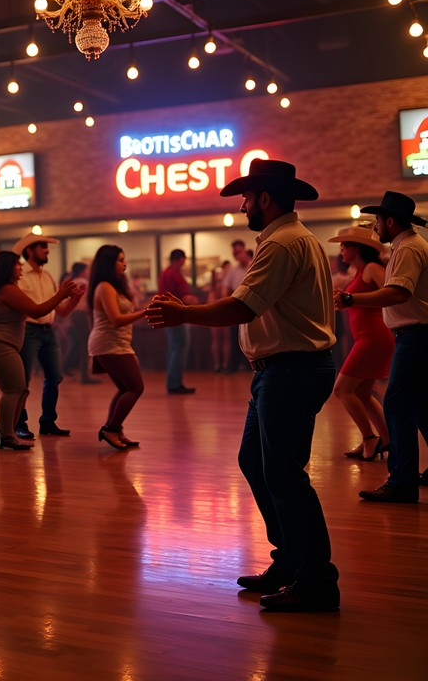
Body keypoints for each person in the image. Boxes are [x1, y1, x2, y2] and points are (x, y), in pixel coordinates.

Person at [146, 158, 339, 612]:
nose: (243, 206)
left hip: (290, 370)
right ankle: (292, 560)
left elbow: (243, 306)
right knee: (257, 462)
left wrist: (185, 313)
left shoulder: (283, 243)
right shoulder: (292, 238)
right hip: (282, 371)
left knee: (284, 476)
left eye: (247, 198)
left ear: (265, 198)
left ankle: (316, 578)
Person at [337, 192, 428, 503]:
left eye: (378, 220)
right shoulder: (407, 246)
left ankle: (402, 482)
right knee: (417, 405)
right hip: (413, 334)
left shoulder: (409, 248)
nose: (375, 226)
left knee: (398, 404)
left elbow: (398, 293)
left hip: (415, 335)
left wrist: (352, 299)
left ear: (390, 221)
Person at [0, 250, 82, 450]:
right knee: (14, 389)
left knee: (20, 390)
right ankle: (7, 435)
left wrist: (68, 298)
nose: (21, 267)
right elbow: (36, 311)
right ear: (7, 268)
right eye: (17, 264)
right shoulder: (7, 289)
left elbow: (51, 310)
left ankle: (5, 432)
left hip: (1, 343)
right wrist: (60, 294)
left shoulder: (7, 288)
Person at [326, 226, 392, 461]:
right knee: (362, 392)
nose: (340, 250)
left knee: (342, 389)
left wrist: (352, 299)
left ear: (356, 248)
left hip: (373, 337)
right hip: (367, 337)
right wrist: (345, 300)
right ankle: (386, 439)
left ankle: (370, 439)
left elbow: (390, 294)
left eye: (344, 246)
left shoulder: (373, 268)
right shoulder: (360, 271)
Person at [12, 232, 82, 439]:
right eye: (43, 246)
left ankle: (48, 422)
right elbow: (32, 309)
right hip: (28, 330)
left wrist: (75, 299)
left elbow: (61, 311)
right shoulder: (20, 275)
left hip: (47, 331)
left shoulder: (48, 275)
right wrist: (62, 295)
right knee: (22, 381)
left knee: (54, 377)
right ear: (30, 250)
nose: (47, 250)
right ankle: (18, 423)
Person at [87, 245, 147, 450]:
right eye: (120, 260)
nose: (125, 264)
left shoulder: (115, 287)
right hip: (108, 343)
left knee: (125, 388)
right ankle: (110, 429)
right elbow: (116, 319)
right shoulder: (104, 286)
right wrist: (143, 312)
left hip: (117, 343)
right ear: (108, 263)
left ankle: (115, 429)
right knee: (135, 387)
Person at [158, 249, 199, 394]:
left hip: (173, 314)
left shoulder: (168, 273)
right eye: (183, 259)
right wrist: (190, 300)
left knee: (176, 346)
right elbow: (173, 295)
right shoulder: (171, 273)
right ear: (179, 259)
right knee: (179, 346)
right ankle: (175, 384)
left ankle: (174, 382)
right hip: (175, 314)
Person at [222, 240, 253, 372]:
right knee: (235, 337)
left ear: (244, 251)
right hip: (237, 306)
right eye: (235, 253)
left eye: (239, 252)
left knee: (251, 337)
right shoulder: (233, 271)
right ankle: (233, 366)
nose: (237, 255)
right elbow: (225, 289)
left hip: (252, 306)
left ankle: (249, 365)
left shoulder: (254, 266)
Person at [205, 263, 230, 372]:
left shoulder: (221, 286)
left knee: (223, 340)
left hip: (221, 314)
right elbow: (209, 301)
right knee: (219, 340)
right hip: (217, 313)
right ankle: (219, 365)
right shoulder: (214, 287)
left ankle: (222, 365)